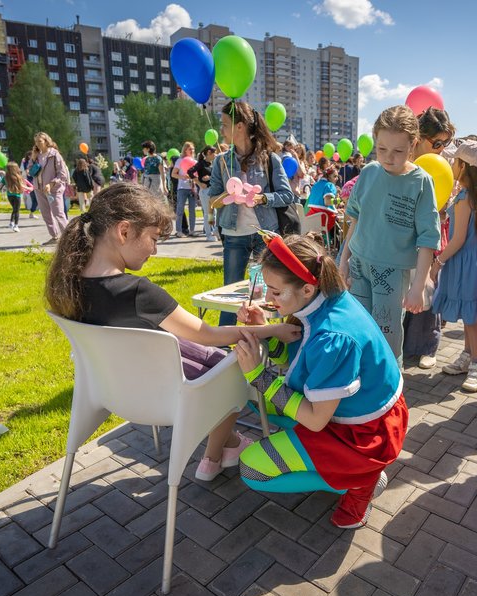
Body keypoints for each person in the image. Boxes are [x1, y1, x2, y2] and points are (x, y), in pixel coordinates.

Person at [44, 184, 301, 480]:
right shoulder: (139, 292)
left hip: (118, 388)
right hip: (168, 396)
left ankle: (229, 445)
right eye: (153, 238)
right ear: (124, 231)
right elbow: (208, 333)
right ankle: (212, 457)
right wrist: (274, 329)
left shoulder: (70, 283)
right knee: (233, 368)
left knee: (213, 359)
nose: (155, 249)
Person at [234, 233, 406, 528]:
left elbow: (315, 420)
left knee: (251, 469)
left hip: (363, 438)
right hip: (355, 420)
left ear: (306, 288)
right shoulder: (328, 299)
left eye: (275, 292)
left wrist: (258, 377)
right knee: (258, 405)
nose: (267, 300)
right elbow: (300, 362)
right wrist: (267, 331)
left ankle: (357, 480)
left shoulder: (332, 336)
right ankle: (350, 473)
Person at [337, 104, 441, 362]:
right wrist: (343, 262)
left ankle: (390, 390)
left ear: (413, 144)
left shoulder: (421, 182)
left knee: (387, 337)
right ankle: (361, 388)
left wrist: (418, 286)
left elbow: (428, 239)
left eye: (398, 151)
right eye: (381, 149)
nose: (388, 157)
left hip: (392, 274)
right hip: (359, 264)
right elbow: (356, 220)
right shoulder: (370, 172)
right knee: (357, 329)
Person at [208, 100, 297, 327]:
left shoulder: (269, 159)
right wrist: (227, 195)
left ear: (240, 127)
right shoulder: (221, 161)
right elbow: (212, 202)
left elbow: (287, 196)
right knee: (230, 294)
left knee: (266, 294)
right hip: (234, 235)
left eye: (225, 124)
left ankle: (266, 340)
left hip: (264, 235)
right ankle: (222, 343)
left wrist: (262, 198)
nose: (222, 130)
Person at [431, 140, 477, 392]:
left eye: (455, 161)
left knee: (471, 317)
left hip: (466, 260)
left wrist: (438, 262)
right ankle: (468, 355)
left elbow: (457, 239)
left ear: (463, 167)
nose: (452, 164)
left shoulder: (463, 197)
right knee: (471, 312)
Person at [404, 106, 455, 369]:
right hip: (402, 240)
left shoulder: (441, 166)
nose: (442, 149)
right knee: (408, 291)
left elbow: (442, 207)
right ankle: (407, 345)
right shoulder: (403, 160)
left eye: (446, 143)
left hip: (429, 238)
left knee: (427, 289)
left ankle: (428, 346)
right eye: (437, 142)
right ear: (420, 137)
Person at [31, 132, 70, 246]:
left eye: (40, 141)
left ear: (46, 141)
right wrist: (33, 159)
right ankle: (55, 237)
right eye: (36, 142)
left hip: (54, 189)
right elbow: (29, 171)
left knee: (58, 213)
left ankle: (70, 238)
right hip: (39, 189)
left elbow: (62, 174)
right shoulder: (36, 156)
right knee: (46, 214)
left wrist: (51, 184)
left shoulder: (54, 154)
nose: (37, 144)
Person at [140, 142, 171, 236]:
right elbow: (145, 172)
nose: (143, 150)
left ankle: (163, 226)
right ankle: (152, 226)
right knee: (149, 204)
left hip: (155, 182)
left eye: (144, 148)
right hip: (147, 182)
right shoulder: (146, 159)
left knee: (158, 204)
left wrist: (164, 186)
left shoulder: (158, 158)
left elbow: (162, 173)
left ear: (148, 149)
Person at [189, 147, 217, 241]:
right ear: (209, 153)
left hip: (213, 190)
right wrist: (199, 183)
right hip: (205, 191)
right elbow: (190, 171)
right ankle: (208, 234)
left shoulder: (213, 163)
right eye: (214, 153)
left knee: (214, 213)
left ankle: (214, 232)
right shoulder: (201, 164)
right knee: (208, 213)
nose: (215, 155)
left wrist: (209, 177)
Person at [173, 142, 198, 237]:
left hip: (192, 188)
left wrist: (194, 178)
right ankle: (179, 231)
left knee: (192, 210)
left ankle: (192, 230)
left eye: (193, 149)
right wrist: (183, 176)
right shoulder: (180, 160)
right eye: (190, 149)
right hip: (182, 188)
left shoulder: (195, 162)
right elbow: (173, 174)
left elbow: (197, 175)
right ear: (185, 150)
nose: (192, 151)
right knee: (180, 210)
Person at [305, 166, 340, 231]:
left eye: (337, 176)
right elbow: (327, 202)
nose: (337, 178)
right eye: (334, 176)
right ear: (328, 176)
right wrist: (338, 200)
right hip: (323, 218)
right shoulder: (330, 185)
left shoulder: (316, 184)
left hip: (311, 217)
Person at [5, 161, 26, 232]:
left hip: (9, 196)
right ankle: (16, 226)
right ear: (15, 169)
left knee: (15, 209)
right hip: (17, 195)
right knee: (16, 210)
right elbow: (22, 185)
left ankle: (11, 223)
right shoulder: (18, 177)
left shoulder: (5, 177)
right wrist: (29, 188)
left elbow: (0, 186)